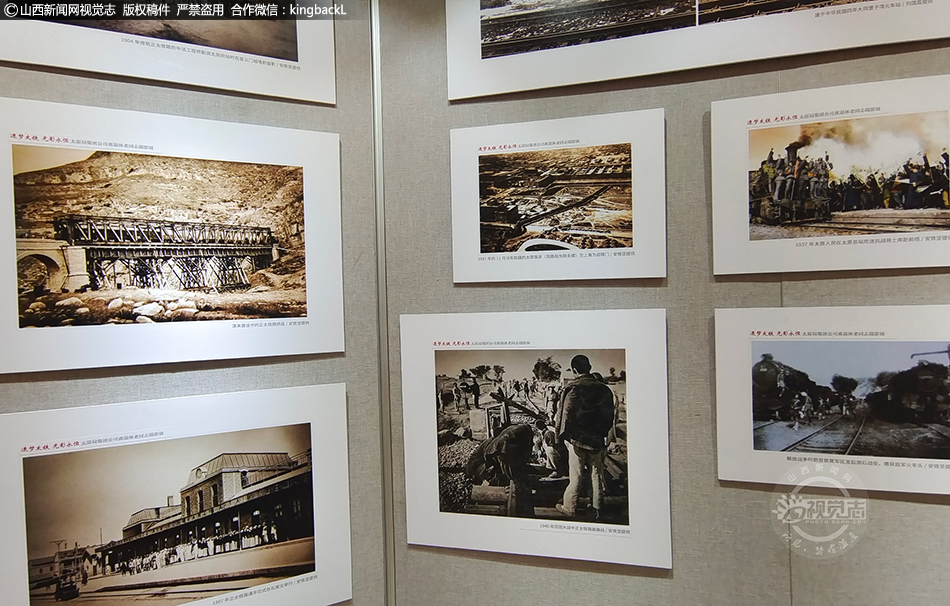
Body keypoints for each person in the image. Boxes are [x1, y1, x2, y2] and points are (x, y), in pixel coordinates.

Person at [554, 354, 615, 521]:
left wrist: (559, 439)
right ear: (589, 367)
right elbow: (609, 416)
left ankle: (570, 508)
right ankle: (598, 509)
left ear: (574, 370)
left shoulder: (572, 388)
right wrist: (602, 433)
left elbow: (564, 415)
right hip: (597, 439)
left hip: (577, 439)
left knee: (576, 475)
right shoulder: (604, 389)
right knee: (597, 475)